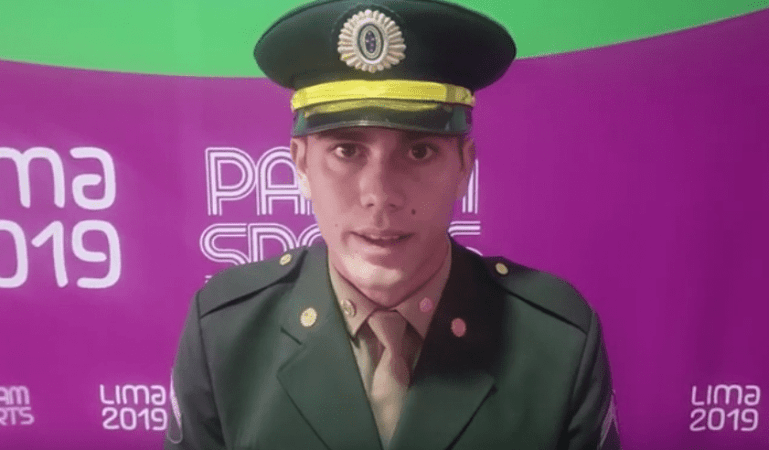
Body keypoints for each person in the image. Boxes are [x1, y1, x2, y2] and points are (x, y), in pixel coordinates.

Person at [165, 0, 622, 449]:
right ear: (301, 165)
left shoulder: (557, 343)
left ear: (464, 167)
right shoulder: (224, 334)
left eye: (419, 151)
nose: (380, 195)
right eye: (347, 150)